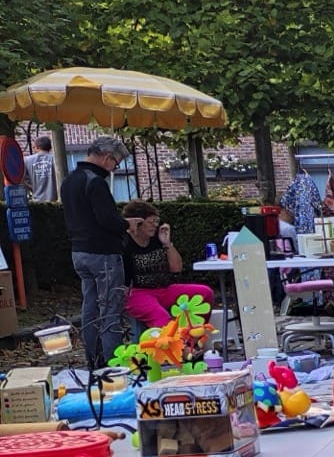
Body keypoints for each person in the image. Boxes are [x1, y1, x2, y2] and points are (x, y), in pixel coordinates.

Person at [62, 136, 131, 367]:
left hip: (79, 252)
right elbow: (107, 220)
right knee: (111, 309)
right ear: (106, 157)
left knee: (89, 308)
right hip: (103, 253)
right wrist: (127, 224)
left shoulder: (70, 180)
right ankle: (113, 364)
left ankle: (93, 360)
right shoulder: (96, 182)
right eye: (115, 163)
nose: (113, 168)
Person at [121, 201, 217, 332]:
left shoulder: (157, 238)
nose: (155, 225)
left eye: (156, 221)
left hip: (165, 289)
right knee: (161, 318)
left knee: (205, 293)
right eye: (151, 221)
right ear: (137, 222)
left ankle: (193, 335)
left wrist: (167, 244)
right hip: (138, 293)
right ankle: (174, 343)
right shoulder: (124, 243)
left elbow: (176, 268)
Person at [27, 134, 58, 203]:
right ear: (50, 147)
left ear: (37, 147)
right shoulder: (56, 159)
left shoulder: (27, 160)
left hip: (37, 202)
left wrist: (32, 188)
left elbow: (20, 180)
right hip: (55, 201)